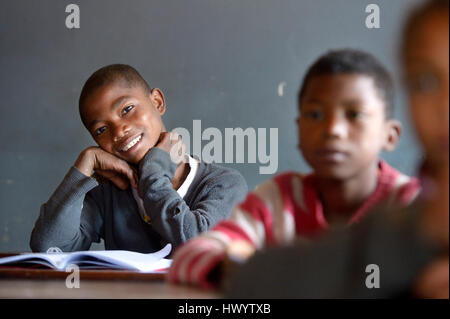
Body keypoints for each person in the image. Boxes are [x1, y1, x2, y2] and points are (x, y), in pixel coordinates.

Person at [225, 0, 449, 298]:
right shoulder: (408, 223)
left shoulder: (401, 198)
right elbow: (251, 282)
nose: (445, 106)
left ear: (390, 134)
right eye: (426, 81)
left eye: (354, 115)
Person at [168, 49, 420, 289]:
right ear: (299, 129)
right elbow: (189, 259)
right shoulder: (279, 199)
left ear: (390, 135)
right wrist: (235, 267)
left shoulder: (411, 204)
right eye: (316, 115)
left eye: (354, 114)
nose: (333, 129)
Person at [30, 64, 248, 253]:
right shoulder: (108, 195)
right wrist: (84, 165)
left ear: (157, 102)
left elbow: (198, 247)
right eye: (101, 129)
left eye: (127, 109)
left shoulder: (223, 184)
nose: (119, 131)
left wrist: (154, 171)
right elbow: (49, 247)